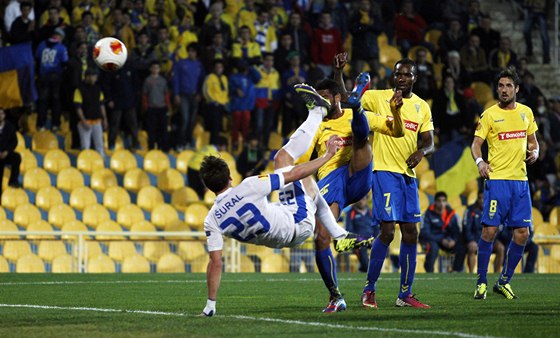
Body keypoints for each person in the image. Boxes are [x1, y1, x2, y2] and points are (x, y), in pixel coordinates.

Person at [200, 85, 371, 316]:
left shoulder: (212, 220)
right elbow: (293, 173)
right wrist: (327, 156)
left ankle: (339, 235)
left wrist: (211, 305)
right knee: (286, 161)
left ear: (208, 187)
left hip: (282, 235)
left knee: (298, 176)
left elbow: (216, 263)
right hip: (298, 222)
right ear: (230, 177)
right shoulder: (248, 187)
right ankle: (317, 113)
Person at [308, 54, 404, 313]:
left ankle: (359, 106)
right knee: (321, 237)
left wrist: (395, 109)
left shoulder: (347, 110)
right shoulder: (315, 126)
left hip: (358, 174)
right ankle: (335, 296)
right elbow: (303, 163)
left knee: (361, 139)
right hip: (330, 179)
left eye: (323, 97)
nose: (318, 103)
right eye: (315, 100)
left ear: (336, 97)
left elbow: (397, 131)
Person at [358, 58, 434, 309]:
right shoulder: (379, 97)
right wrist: (339, 75)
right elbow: (352, 98)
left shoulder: (422, 107)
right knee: (388, 231)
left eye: (406, 75)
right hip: (384, 172)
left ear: (415, 78)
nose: (401, 78)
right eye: (397, 74)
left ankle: (405, 294)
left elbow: (429, 140)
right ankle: (369, 289)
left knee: (412, 232)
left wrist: (422, 152)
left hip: (408, 176)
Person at [471, 68, 539, 300]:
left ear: (517, 89)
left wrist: (536, 152)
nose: (504, 90)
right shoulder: (489, 114)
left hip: (520, 182)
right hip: (497, 180)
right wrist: (480, 162)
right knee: (489, 230)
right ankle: (481, 281)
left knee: (522, 233)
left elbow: (533, 142)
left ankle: (504, 281)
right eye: (500, 86)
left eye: (508, 85)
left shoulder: (526, 113)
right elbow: (476, 144)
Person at [460, 191, 504, 273]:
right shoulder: (470, 210)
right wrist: (471, 240)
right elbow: (466, 227)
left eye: (484, 198)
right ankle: (471, 273)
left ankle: (497, 272)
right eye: (480, 198)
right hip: (475, 239)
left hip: (489, 239)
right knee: (472, 247)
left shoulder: (493, 210)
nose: (481, 200)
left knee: (500, 248)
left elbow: (499, 226)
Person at [419, 191, 462, 273]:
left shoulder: (451, 214)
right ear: (435, 202)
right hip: (431, 239)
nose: (441, 203)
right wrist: (441, 239)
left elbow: (456, 231)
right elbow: (425, 233)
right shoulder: (427, 214)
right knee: (433, 248)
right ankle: (429, 271)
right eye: (439, 201)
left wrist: (453, 240)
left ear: (446, 202)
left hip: (446, 240)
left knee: (461, 246)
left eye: (443, 201)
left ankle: (456, 271)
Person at [73, 68, 108, 157]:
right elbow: (78, 108)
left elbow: (101, 105)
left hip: (97, 121)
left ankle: (101, 164)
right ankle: (85, 164)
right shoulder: (79, 90)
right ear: (87, 77)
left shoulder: (98, 89)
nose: (95, 78)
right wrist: (84, 121)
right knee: (85, 147)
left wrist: (104, 119)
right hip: (85, 122)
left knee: (100, 146)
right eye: (93, 76)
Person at [344, 196, 378, 273]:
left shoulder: (371, 213)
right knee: (362, 246)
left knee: (380, 246)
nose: (361, 201)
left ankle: (373, 268)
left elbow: (376, 229)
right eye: (359, 199)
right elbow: (349, 230)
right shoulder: (351, 213)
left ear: (367, 200)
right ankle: (367, 268)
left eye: (363, 199)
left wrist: (376, 239)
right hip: (358, 241)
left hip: (372, 240)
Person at [0, 107, 22, 197]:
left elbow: (14, 142)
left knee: (17, 157)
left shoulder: (9, 127)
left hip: (5, 154)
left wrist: (7, 151)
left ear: (4, 115)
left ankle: (13, 181)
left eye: (1, 114)